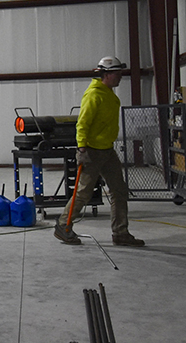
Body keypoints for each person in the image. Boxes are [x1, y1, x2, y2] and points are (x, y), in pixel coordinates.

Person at [54, 56, 144, 247]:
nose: (120, 76)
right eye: (117, 73)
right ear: (107, 74)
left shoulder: (108, 93)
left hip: (107, 150)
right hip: (92, 151)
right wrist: (81, 147)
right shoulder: (94, 95)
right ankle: (63, 225)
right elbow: (82, 123)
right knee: (83, 193)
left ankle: (120, 233)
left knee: (119, 191)